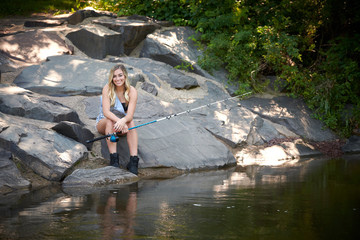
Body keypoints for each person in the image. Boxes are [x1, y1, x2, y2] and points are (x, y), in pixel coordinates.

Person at [96, 64, 139, 175]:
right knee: (110, 121)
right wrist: (119, 121)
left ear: (125, 76)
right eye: (114, 76)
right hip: (105, 122)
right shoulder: (107, 88)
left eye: (120, 75)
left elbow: (130, 115)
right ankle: (114, 160)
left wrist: (123, 122)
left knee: (131, 122)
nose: (117, 79)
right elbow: (106, 112)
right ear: (112, 78)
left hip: (121, 125)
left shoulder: (132, 91)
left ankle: (134, 161)